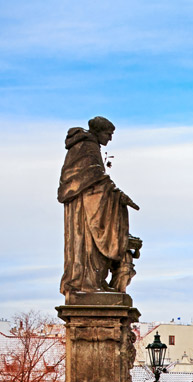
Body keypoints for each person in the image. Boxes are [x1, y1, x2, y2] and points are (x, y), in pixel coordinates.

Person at [59, 116, 141, 297]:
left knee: (89, 248)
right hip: (84, 207)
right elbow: (93, 175)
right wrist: (117, 194)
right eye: (108, 134)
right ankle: (85, 283)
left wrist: (114, 193)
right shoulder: (87, 147)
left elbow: (95, 177)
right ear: (98, 132)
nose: (110, 139)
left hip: (89, 202)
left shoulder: (87, 146)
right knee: (86, 245)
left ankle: (92, 281)